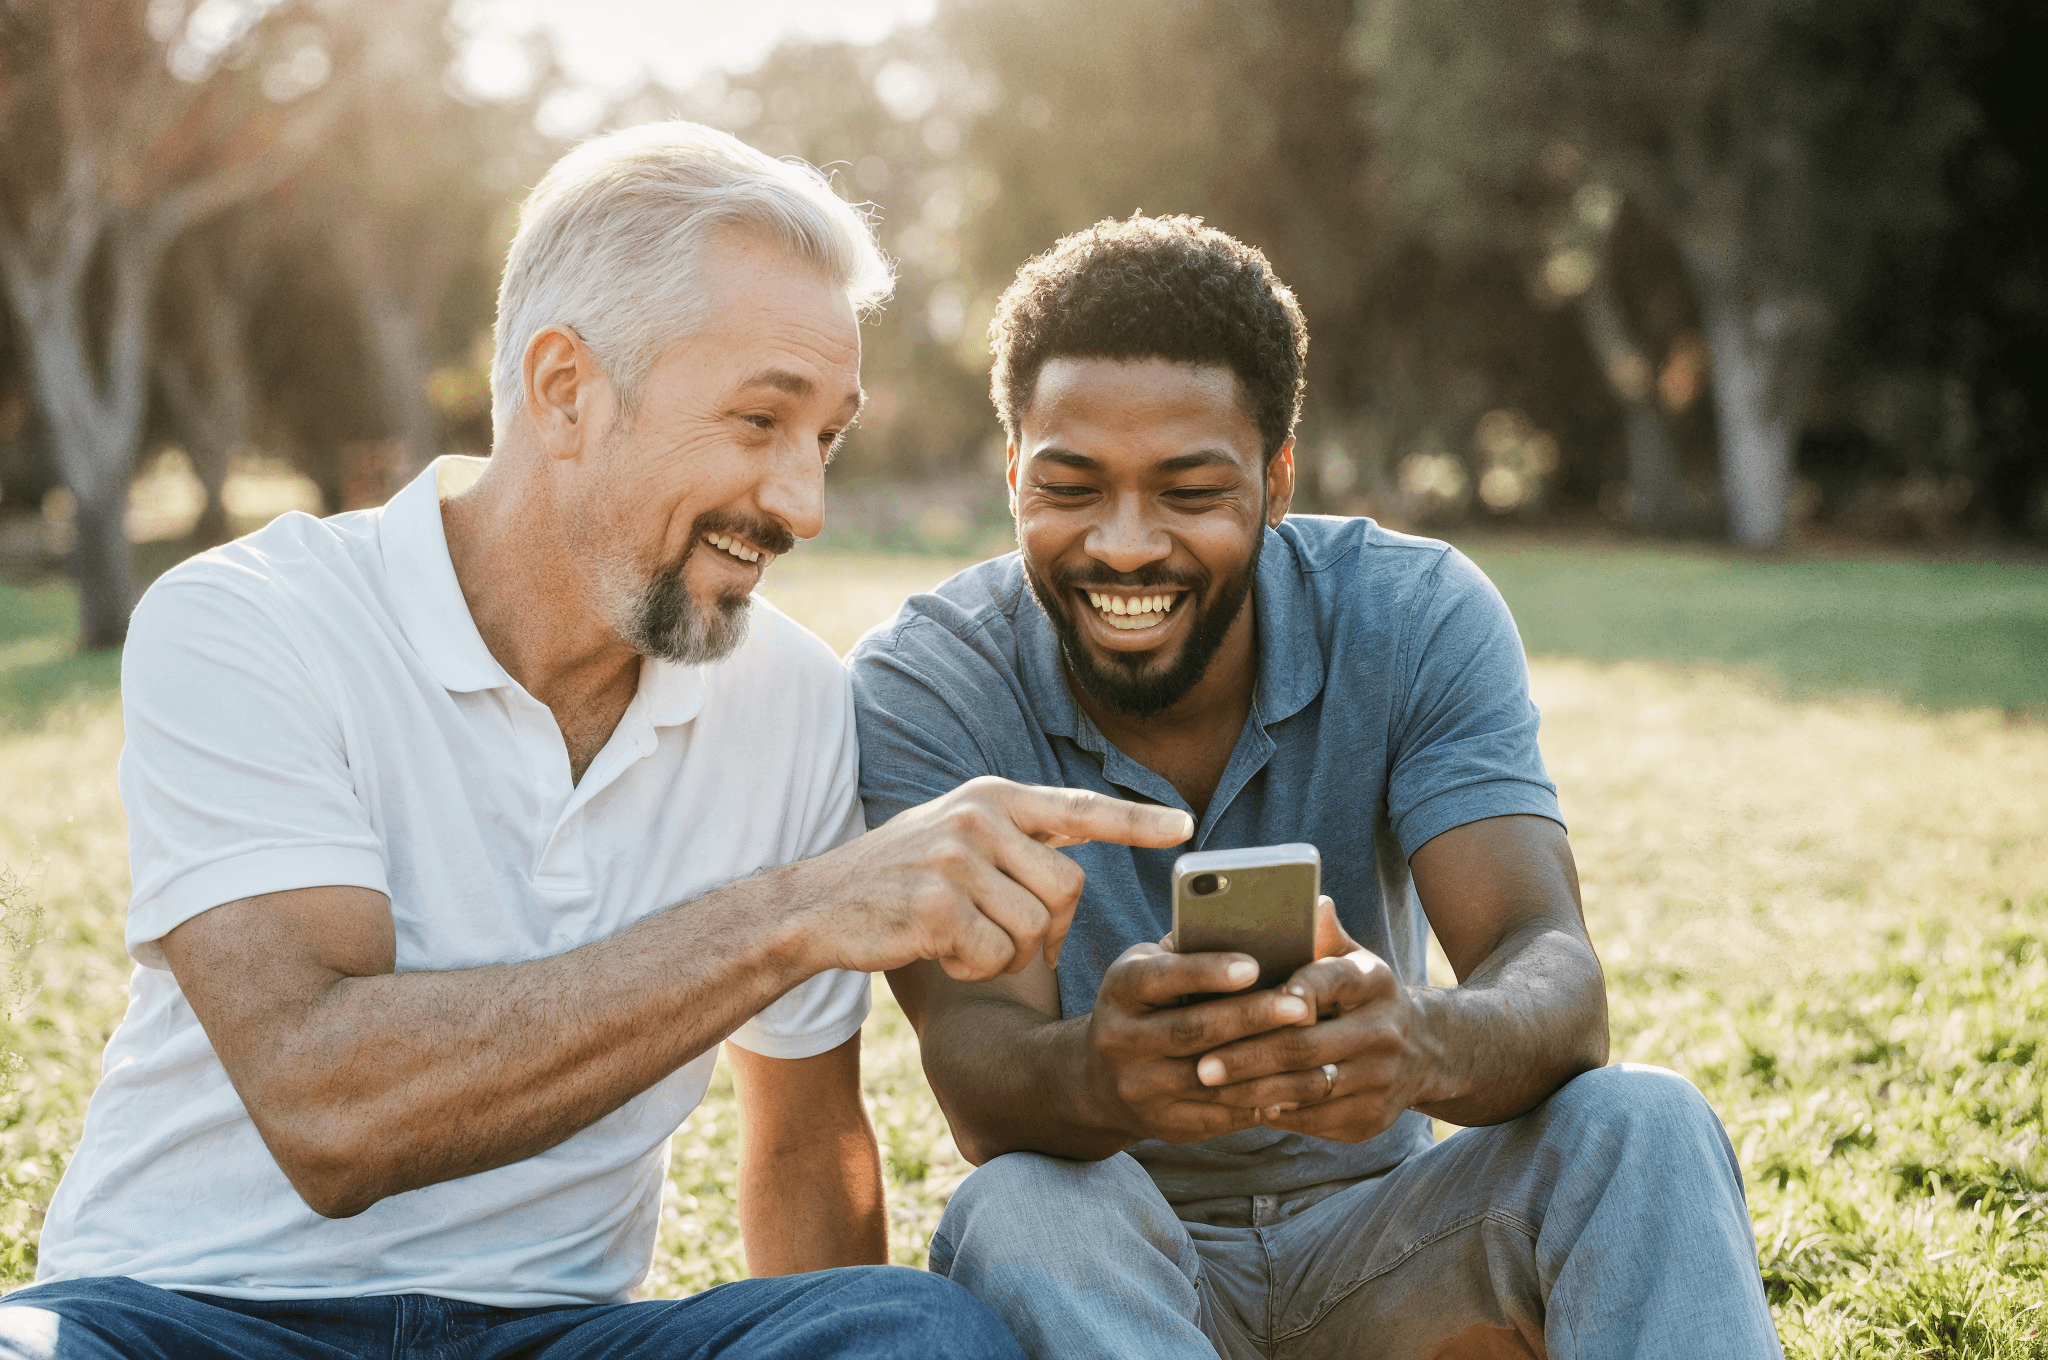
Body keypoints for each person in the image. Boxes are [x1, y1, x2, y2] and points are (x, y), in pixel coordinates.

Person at [0, 125, 1193, 1360]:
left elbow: (801, 1140)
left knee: (909, 1331)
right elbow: (329, 1110)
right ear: (566, 388)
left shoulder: (785, 696)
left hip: (556, 1336)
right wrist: (790, 913)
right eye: (757, 421)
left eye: (825, 437)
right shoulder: (251, 622)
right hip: (184, 1320)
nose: (802, 503)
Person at [848, 215, 1784, 1359]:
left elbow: (1549, 965)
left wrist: (1423, 1042)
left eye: (1189, 490)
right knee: (1023, 1206)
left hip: (1387, 1239)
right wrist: (1101, 1072)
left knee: (1644, 1120)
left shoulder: (1411, 611)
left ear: (1276, 478)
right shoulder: (925, 679)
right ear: (1011, 475)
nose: (1126, 544)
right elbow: (975, 1067)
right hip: (1117, 1268)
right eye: (1071, 487)